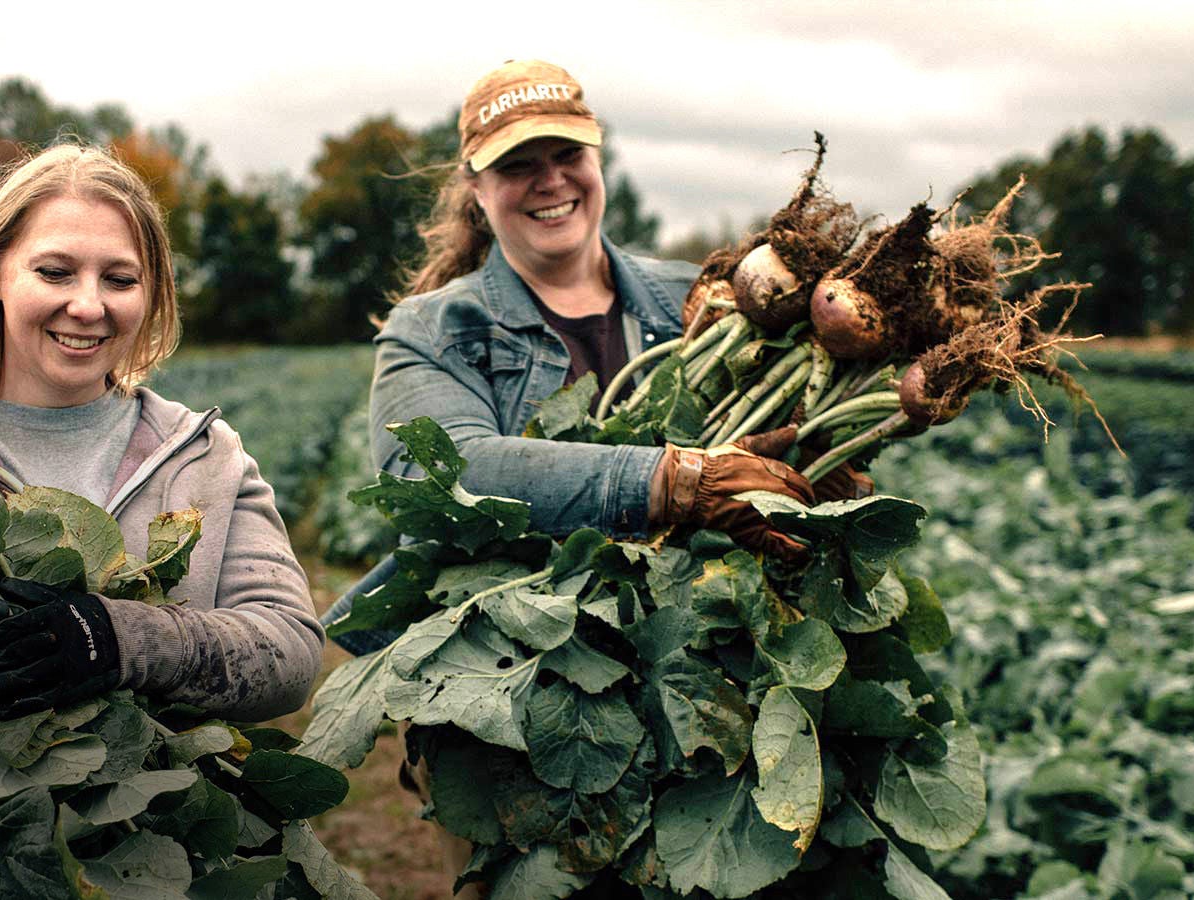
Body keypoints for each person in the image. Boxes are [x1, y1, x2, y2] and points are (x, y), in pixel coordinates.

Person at [321, 59, 870, 895]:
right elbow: (445, 470)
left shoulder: (698, 303)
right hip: (514, 710)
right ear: (476, 189)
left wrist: (823, 480)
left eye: (566, 154)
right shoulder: (434, 330)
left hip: (704, 686)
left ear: (598, 159)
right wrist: (675, 480)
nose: (549, 181)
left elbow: (786, 446)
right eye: (516, 164)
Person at [0, 142, 324, 723]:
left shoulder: (202, 457)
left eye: (120, 279)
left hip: (157, 814)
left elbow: (291, 653)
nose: (88, 305)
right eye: (55, 272)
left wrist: (125, 640)